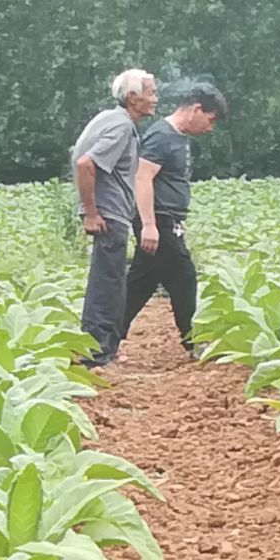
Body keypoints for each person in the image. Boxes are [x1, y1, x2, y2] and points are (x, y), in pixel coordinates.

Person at [121, 83, 229, 357]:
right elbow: (142, 177)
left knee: (140, 283)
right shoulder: (162, 136)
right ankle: (193, 342)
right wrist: (148, 225)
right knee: (184, 276)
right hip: (158, 218)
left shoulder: (177, 137)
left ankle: (104, 337)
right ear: (196, 109)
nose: (209, 127)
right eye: (210, 119)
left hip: (167, 220)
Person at [72, 69, 157, 366]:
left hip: (111, 214)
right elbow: (85, 165)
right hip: (109, 216)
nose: (155, 99)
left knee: (111, 283)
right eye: (151, 93)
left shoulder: (109, 120)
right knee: (107, 285)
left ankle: (104, 349)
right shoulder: (120, 126)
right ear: (132, 98)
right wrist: (91, 213)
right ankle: (95, 353)